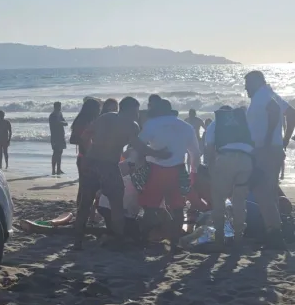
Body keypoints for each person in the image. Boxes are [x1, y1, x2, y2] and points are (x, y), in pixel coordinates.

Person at [74, 97, 170, 249]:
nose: (137, 115)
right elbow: (140, 147)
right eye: (137, 111)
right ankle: (118, 239)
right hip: (109, 166)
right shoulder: (132, 125)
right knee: (116, 205)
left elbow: (85, 135)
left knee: (85, 204)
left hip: (91, 163)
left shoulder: (105, 117)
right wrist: (159, 153)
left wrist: (86, 155)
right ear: (132, 110)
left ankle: (77, 241)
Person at [139, 99, 201, 249]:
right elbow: (195, 152)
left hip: (156, 170)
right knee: (178, 208)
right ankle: (175, 241)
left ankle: (142, 240)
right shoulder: (186, 126)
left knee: (150, 208)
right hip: (178, 170)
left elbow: (138, 145)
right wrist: (194, 172)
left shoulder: (152, 124)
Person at [245, 71, 289, 248]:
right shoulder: (268, 93)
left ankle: (274, 232)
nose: (245, 87)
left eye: (247, 83)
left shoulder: (263, 95)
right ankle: (273, 229)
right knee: (269, 191)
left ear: (256, 82)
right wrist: (283, 140)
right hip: (271, 148)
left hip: (265, 150)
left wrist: (270, 138)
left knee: (261, 189)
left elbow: (274, 110)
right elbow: (291, 113)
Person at [204, 105, 254, 245]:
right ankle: (238, 235)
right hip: (246, 160)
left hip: (225, 159)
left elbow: (210, 148)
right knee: (239, 200)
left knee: (219, 197)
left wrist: (211, 169)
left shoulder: (215, 124)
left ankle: (219, 234)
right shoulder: (244, 123)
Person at [70, 97, 101, 203]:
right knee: (84, 187)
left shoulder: (91, 120)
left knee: (89, 187)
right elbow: (72, 139)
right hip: (85, 158)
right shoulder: (82, 121)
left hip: (90, 157)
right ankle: (81, 211)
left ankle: (87, 212)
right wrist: (85, 138)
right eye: (98, 108)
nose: (99, 110)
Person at [49, 102, 67, 175]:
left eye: (60, 107)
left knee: (60, 152)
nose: (59, 108)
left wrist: (62, 122)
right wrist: (62, 123)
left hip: (61, 136)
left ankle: (59, 169)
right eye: (58, 107)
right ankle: (53, 170)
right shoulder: (52, 115)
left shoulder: (60, 114)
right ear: (55, 107)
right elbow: (58, 123)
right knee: (56, 152)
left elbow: (64, 122)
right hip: (55, 136)